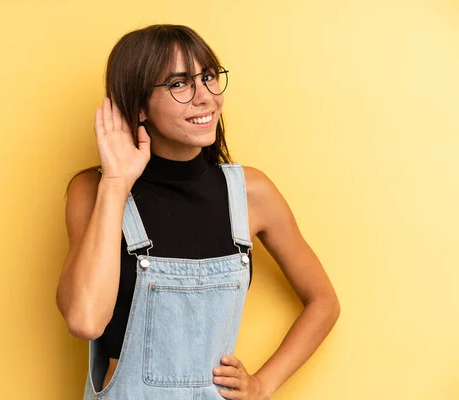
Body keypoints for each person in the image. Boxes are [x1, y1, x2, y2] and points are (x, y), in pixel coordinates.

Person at [56, 24, 340, 400]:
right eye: (179, 83)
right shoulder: (93, 191)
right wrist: (116, 183)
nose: (205, 97)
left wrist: (264, 383)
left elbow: (324, 301)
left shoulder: (250, 193)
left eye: (207, 77)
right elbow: (85, 320)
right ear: (138, 105)